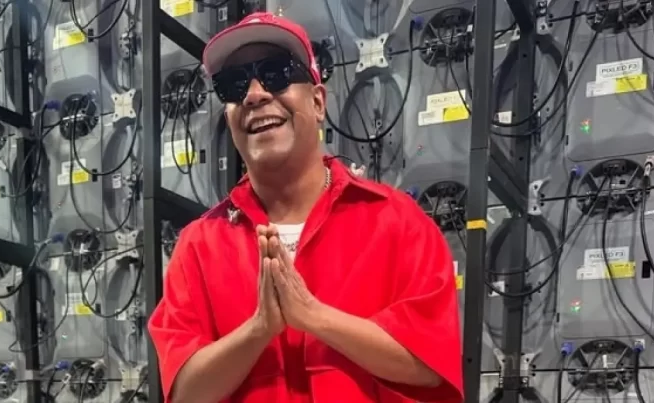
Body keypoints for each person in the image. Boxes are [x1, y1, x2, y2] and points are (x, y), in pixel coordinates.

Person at [148, 11, 463, 403]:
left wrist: (312, 315)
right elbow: (184, 393)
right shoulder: (198, 246)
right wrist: (259, 329)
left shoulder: (397, 222)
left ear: (317, 102)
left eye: (276, 73)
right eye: (233, 84)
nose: (254, 95)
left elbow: (430, 364)